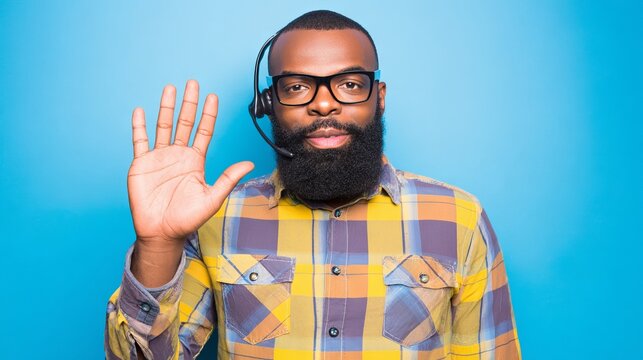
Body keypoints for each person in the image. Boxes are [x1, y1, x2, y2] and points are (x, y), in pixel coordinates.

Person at [105, 10, 521, 360]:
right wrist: (158, 245)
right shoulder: (216, 217)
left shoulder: (459, 219)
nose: (324, 104)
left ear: (380, 97)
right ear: (268, 104)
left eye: (350, 84)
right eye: (298, 87)